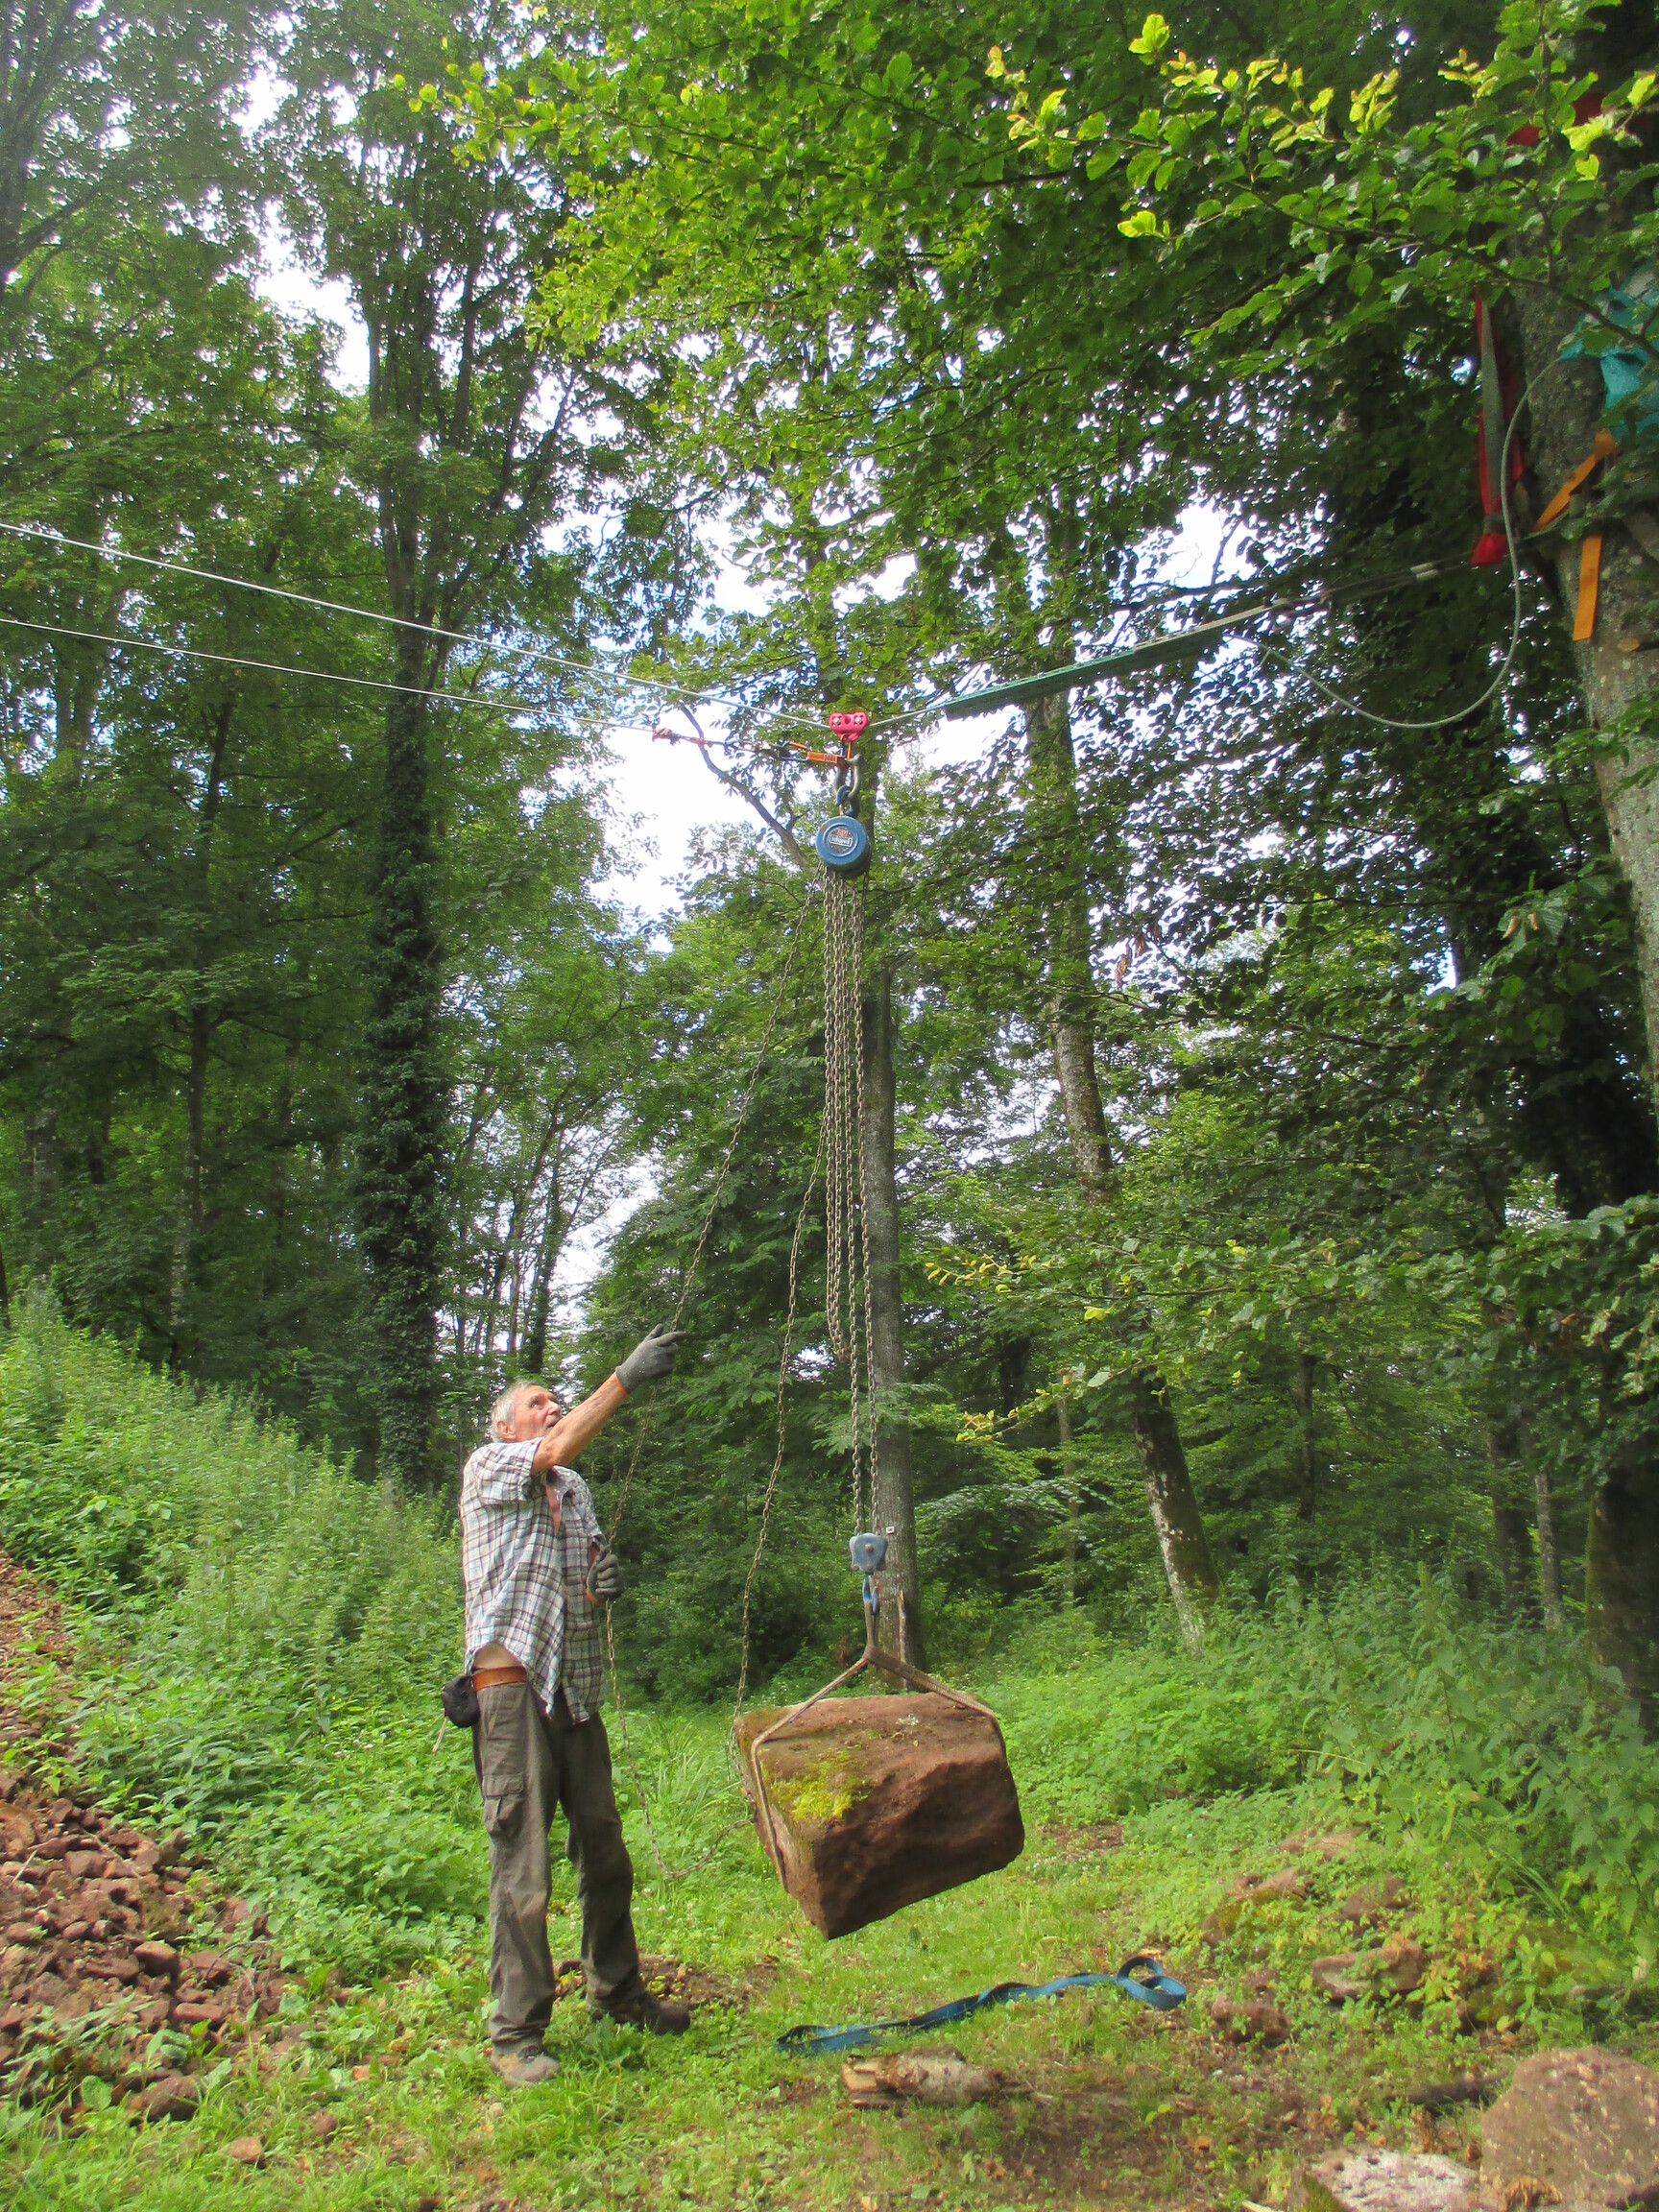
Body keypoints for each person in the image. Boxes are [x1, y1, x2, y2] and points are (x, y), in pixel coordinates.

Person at [459, 1323, 687, 2085]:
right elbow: (554, 1448)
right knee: (523, 1866)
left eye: (556, 1399)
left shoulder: (573, 1489)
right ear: (504, 1427)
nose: (552, 1407)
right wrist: (624, 1377)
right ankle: (516, 2035)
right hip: (512, 1692)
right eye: (537, 1402)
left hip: (575, 1693)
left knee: (606, 1851)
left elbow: (578, 1583)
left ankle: (616, 1995)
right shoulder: (490, 1465)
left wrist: (599, 1587)